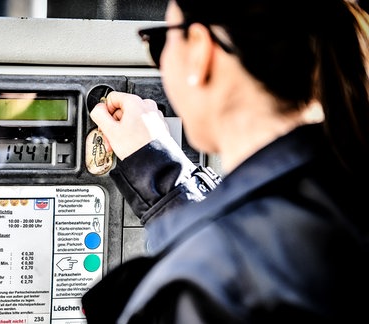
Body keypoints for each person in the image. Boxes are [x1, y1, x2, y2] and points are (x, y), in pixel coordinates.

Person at [81, 0, 369, 323]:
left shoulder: (196, 293)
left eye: (160, 43)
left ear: (200, 52)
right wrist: (159, 174)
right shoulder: (343, 198)